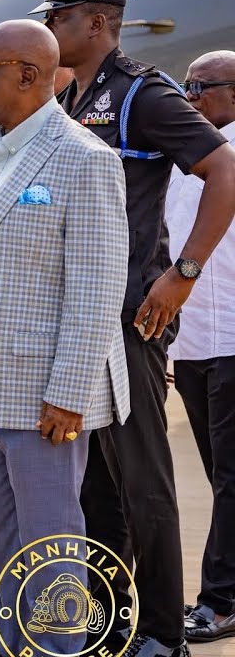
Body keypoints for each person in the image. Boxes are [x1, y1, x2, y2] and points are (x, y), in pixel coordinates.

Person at [33, 0, 235, 656]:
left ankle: (160, 634)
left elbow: (223, 170)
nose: (48, 28)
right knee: (95, 482)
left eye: (57, 18)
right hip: (83, 316)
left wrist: (182, 274)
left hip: (131, 314)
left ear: (95, 22)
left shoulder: (140, 95)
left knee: (145, 477)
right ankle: (104, 613)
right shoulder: (67, 100)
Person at [0, 19, 130, 657]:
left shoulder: (85, 160)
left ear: (28, 75)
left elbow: (97, 290)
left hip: (46, 395)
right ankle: (15, 641)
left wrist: (68, 393)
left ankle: (60, 646)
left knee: (50, 536)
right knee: (5, 535)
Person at [165, 51, 235, 644]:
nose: (188, 97)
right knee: (221, 477)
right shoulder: (181, 159)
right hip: (188, 343)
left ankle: (220, 600)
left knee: (233, 476)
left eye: (199, 86)